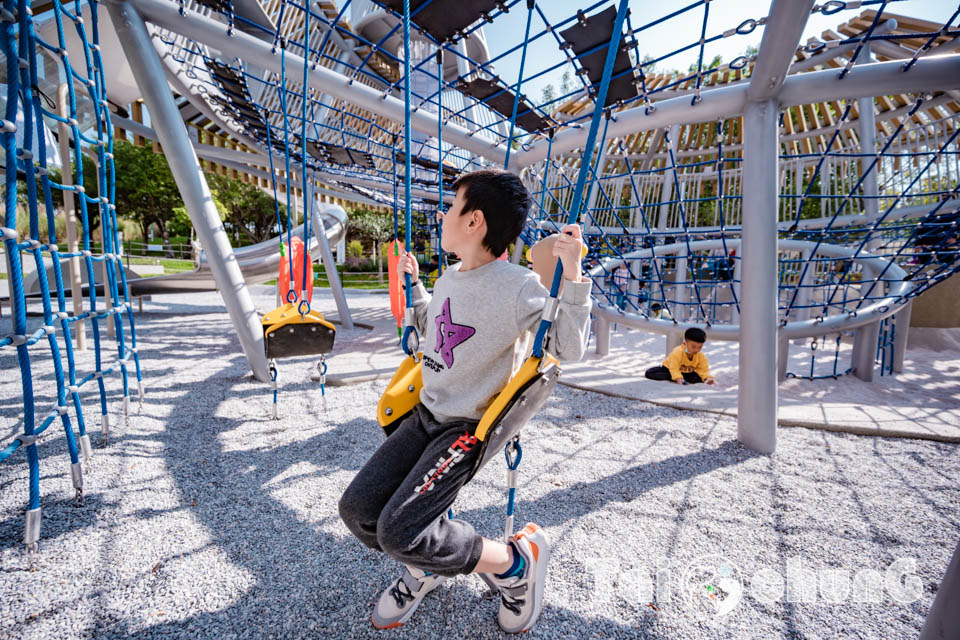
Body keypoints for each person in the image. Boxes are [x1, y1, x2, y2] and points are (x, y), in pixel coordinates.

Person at [338, 169, 592, 633]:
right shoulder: (452, 276)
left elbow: (567, 348)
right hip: (427, 412)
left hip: (466, 428)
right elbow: (434, 327)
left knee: (399, 531)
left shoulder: (518, 287)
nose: (442, 214)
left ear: (474, 221)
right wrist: (415, 285)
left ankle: (516, 565)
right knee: (357, 510)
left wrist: (572, 278)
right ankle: (427, 562)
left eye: (451, 206)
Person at [645, 327, 715, 385]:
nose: (696, 350)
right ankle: (674, 377)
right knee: (649, 373)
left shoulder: (701, 356)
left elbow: (703, 369)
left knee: (698, 378)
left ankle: (680, 377)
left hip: (686, 373)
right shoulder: (678, 352)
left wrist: (707, 377)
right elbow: (674, 367)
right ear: (685, 343)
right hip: (669, 369)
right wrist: (678, 378)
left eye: (700, 347)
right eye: (693, 347)